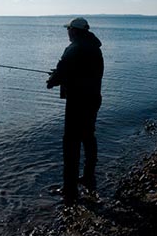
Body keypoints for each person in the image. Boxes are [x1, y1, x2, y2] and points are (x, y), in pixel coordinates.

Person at [47, 17, 104, 205]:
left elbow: (62, 71)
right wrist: (61, 75)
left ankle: (69, 189)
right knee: (88, 136)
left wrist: (52, 80)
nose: (68, 32)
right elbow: (81, 72)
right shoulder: (94, 48)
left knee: (70, 143)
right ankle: (88, 176)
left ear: (75, 31)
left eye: (69, 29)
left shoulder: (74, 48)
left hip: (77, 102)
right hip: (94, 98)